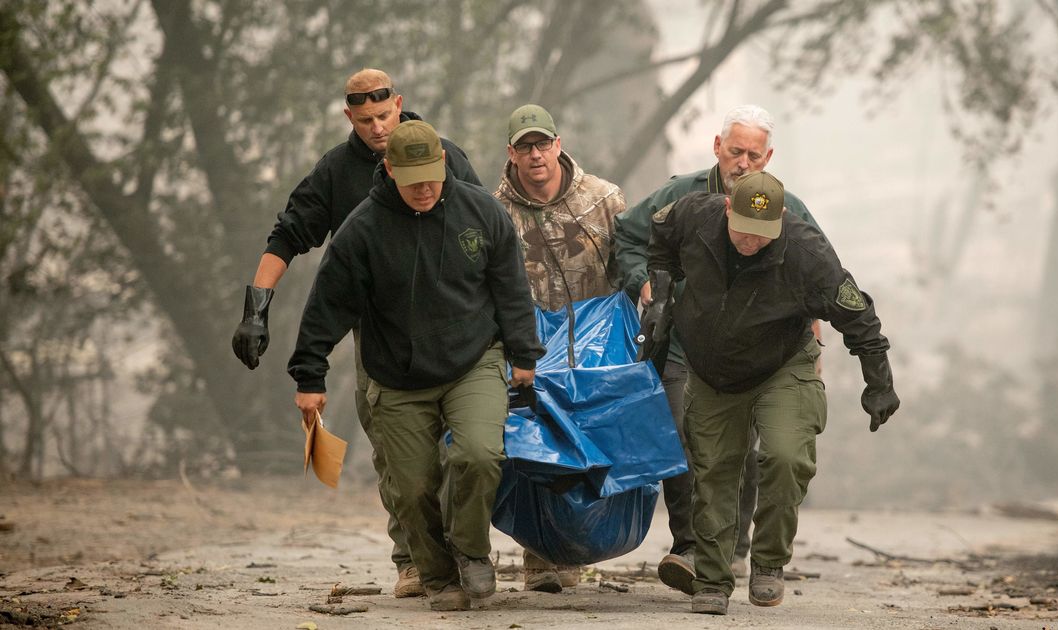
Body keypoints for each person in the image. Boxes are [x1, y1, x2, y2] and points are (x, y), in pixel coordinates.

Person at [230, 69, 481, 598]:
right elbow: (288, 234)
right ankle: (410, 558)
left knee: (462, 447)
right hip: (381, 333)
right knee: (396, 449)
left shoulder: (445, 156)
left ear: (400, 104)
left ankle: (460, 550)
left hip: (452, 326)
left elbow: (485, 232)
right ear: (350, 117)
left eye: (384, 115)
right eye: (365, 120)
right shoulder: (337, 172)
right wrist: (257, 308)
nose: (377, 127)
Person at [288, 120, 545, 611]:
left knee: (478, 454)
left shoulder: (482, 212)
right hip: (397, 373)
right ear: (388, 170)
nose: (424, 189)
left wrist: (524, 354)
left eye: (432, 176)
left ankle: (470, 551)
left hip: (473, 359)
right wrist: (309, 374)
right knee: (410, 486)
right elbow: (327, 305)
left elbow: (511, 287)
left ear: (444, 164)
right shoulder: (362, 230)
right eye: (412, 180)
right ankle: (437, 573)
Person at [646, 171, 899, 615]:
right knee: (713, 470)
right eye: (744, 229)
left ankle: (768, 561)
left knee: (785, 456)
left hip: (781, 364)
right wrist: (663, 294)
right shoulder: (693, 215)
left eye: (763, 234)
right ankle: (712, 579)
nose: (751, 241)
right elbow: (660, 240)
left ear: (781, 217)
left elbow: (857, 314)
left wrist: (879, 381)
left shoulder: (807, 253)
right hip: (712, 369)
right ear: (727, 207)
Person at [612, 104, 823, 593]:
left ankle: (735, 547)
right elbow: (628, 233)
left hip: (762, 354)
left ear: (767, 158)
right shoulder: (680, 193)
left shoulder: (786, 206)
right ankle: (690, 546)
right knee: (685, 436)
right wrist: (644, 284)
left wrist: (813, 329)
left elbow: (816, 270)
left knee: (747, 449)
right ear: (716, 148)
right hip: (687, 345)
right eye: (734, 152)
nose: (742, 163)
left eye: (753, 154)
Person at [493, 104, 626, 591]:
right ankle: (540, 556)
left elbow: (629, 263)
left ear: (558, 145)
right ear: (511, 153)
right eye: (524, 147)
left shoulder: (604, 200)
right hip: (529, 349)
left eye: (542, 144)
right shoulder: (496, 212)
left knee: (591, 452)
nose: (535, 156)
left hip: (596, 350)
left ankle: (579, 547)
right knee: (535, 450)